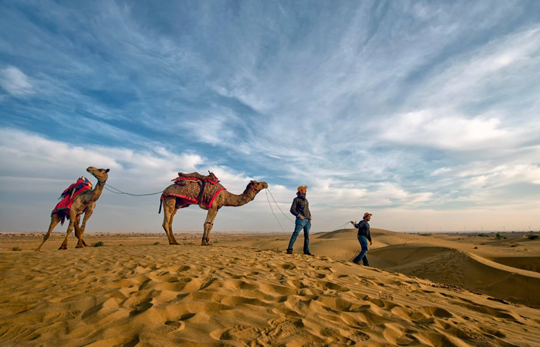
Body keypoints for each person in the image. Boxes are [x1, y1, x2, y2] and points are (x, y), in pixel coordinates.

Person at [287, 186, 314, 256]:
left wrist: (310, 215)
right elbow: (292, 210)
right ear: (301, 191)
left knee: (307, 236)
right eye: (305, 190)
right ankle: (289, 249)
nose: (306, 191)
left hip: (308, 221)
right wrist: (298, 215)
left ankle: (306, 251)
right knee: (295, 234)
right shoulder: (296, 199)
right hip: (301, 220)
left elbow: (307, 209)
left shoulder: (306, 200)